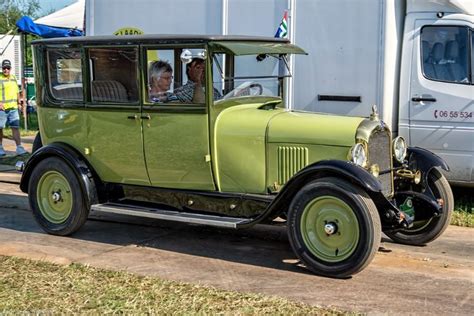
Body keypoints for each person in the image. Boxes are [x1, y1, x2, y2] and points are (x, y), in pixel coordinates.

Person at [0, 60, 27, 156]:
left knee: (15, 127)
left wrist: (19, 103)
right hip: (2, 109)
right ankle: (0, 148)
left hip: (13, 108)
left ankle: (19, 147)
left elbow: (16, 91)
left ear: (10, 68)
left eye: (7, 68)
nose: (6, 70)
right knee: (0, 128)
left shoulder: (13, 78)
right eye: (4, 68)